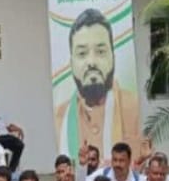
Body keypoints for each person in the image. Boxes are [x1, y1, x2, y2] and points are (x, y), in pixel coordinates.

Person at [55, 9, 141, 159]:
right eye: (82, 53)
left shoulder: (131, 106)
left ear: (113, 57)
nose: (92, 62)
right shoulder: (60, 115)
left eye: (100, 52)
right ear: (71, 63)